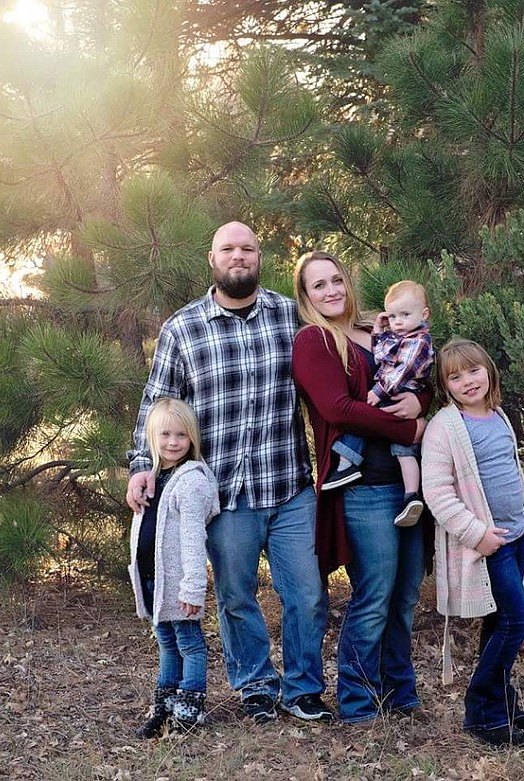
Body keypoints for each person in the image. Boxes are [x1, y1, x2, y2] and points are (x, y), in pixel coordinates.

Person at [126, 222, 332, 724]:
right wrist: (140, 465)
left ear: (259, 257)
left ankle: (303, 688)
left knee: (306, 594)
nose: (238, 257)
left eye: (248, 249)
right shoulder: (183, 327)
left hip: (288, 486)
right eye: (228, 249)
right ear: (212, 258)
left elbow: (343, 346)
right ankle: (256, 686)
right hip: (222, 495)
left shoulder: (291, 317)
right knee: (236, 596)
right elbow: (156, 405)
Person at [291, 250, 431, 724]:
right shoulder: (313, 342)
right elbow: (337, 409)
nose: (331, 290)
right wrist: (408, 430)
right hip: (362, 487)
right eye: (318, 285)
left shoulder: (380, 329)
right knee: (374, 595)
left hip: (408, 481)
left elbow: (418, 374)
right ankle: (356, 700)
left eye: (336, 280)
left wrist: (419, 399)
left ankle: (400, 692)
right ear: (306, 296)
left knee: (406, 594)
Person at [421, 338, 524, 747]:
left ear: (488, 370)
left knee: (499, 623)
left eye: (473, 370)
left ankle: (503, 705)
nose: (467, 381)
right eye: (455, 377)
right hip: (486, 544)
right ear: (445, 386)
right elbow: (438, 494)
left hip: (513, 540)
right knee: (516, 620)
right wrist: (478, 535)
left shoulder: (498, 416)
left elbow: (514, 479)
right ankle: (481, 712)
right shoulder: (446, 427)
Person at [129, 398, 220, 738]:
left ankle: (189, 709)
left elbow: (194, 540)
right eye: (165, 434)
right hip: (154, 578)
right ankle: (165, 705)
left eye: (181, 435)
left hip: (179, 582)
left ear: (192, 437)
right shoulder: (153, 478)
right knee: (166, 642)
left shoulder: (191, 481)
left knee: (190, 643)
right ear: (152, 437)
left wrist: (194, 586)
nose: (172, 442)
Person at [322, 280, 434, 528]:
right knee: (396, 444)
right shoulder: (317, 337)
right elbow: (382, 355)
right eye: (393, 316)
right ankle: (409, 493)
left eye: (405, 315)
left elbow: (403, 371)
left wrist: (383, 392)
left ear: (424, 314)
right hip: (371, 484)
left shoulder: (419, 341)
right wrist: (379, 330)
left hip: (394, 393)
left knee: (390, 437)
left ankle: (410, 494)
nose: (398, 321)